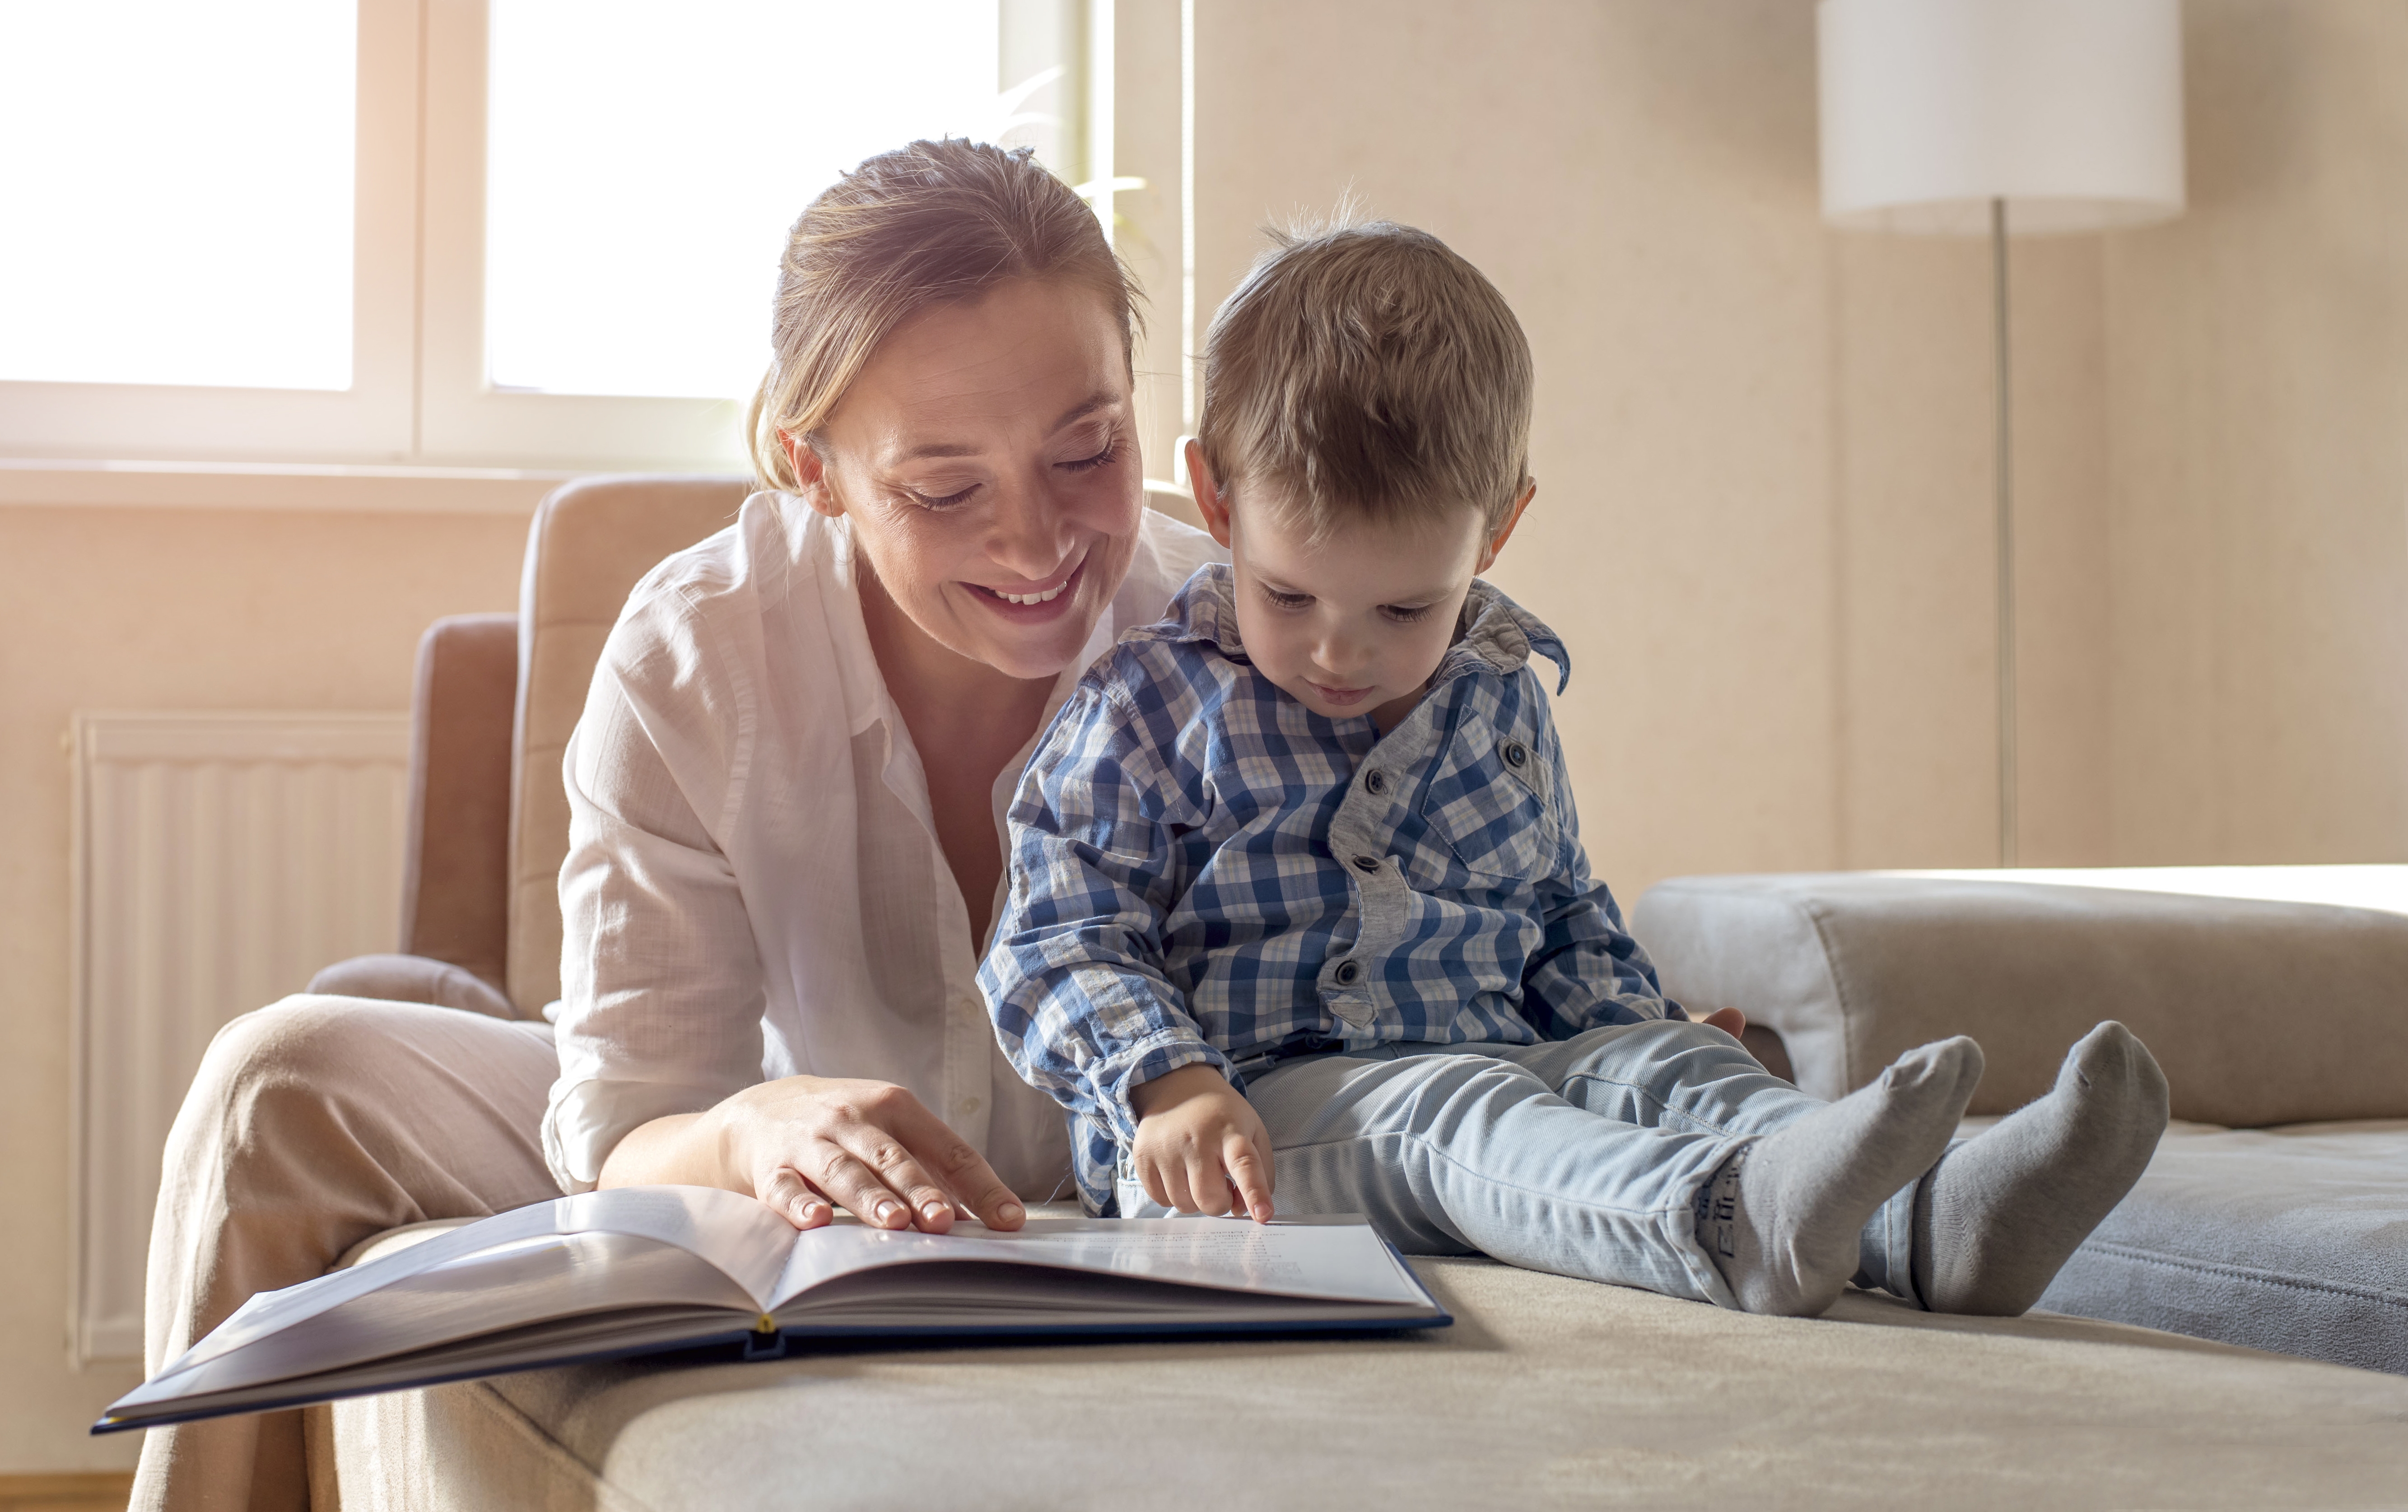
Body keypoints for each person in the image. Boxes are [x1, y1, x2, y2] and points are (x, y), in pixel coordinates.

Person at [132, 139, 1220, 1511]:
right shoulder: (698, 656)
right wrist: (754, 1127)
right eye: (945, 490)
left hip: (1093, 1185)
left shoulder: (1236, 642)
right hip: (747, 1130)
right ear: (807, 465)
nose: (1039, 541)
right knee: (279, 1075)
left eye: (1089, 451)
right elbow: (633, 1129)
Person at [978, 219, 2170, 1317]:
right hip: (1249, 1120)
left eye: (1406, 606)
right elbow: (1055, 931)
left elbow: (1557, 919)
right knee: (1458, 1113)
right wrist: (1165, 1083)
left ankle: (1930, 1228)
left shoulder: (1497, 697)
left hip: (1494, 1049)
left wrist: (1641, 1028)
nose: (1341, 651)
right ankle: (1726, 1222)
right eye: (1288, 595)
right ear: (1219, 498)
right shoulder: (1147, 705)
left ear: (1497, 532)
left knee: (1663, 1061)